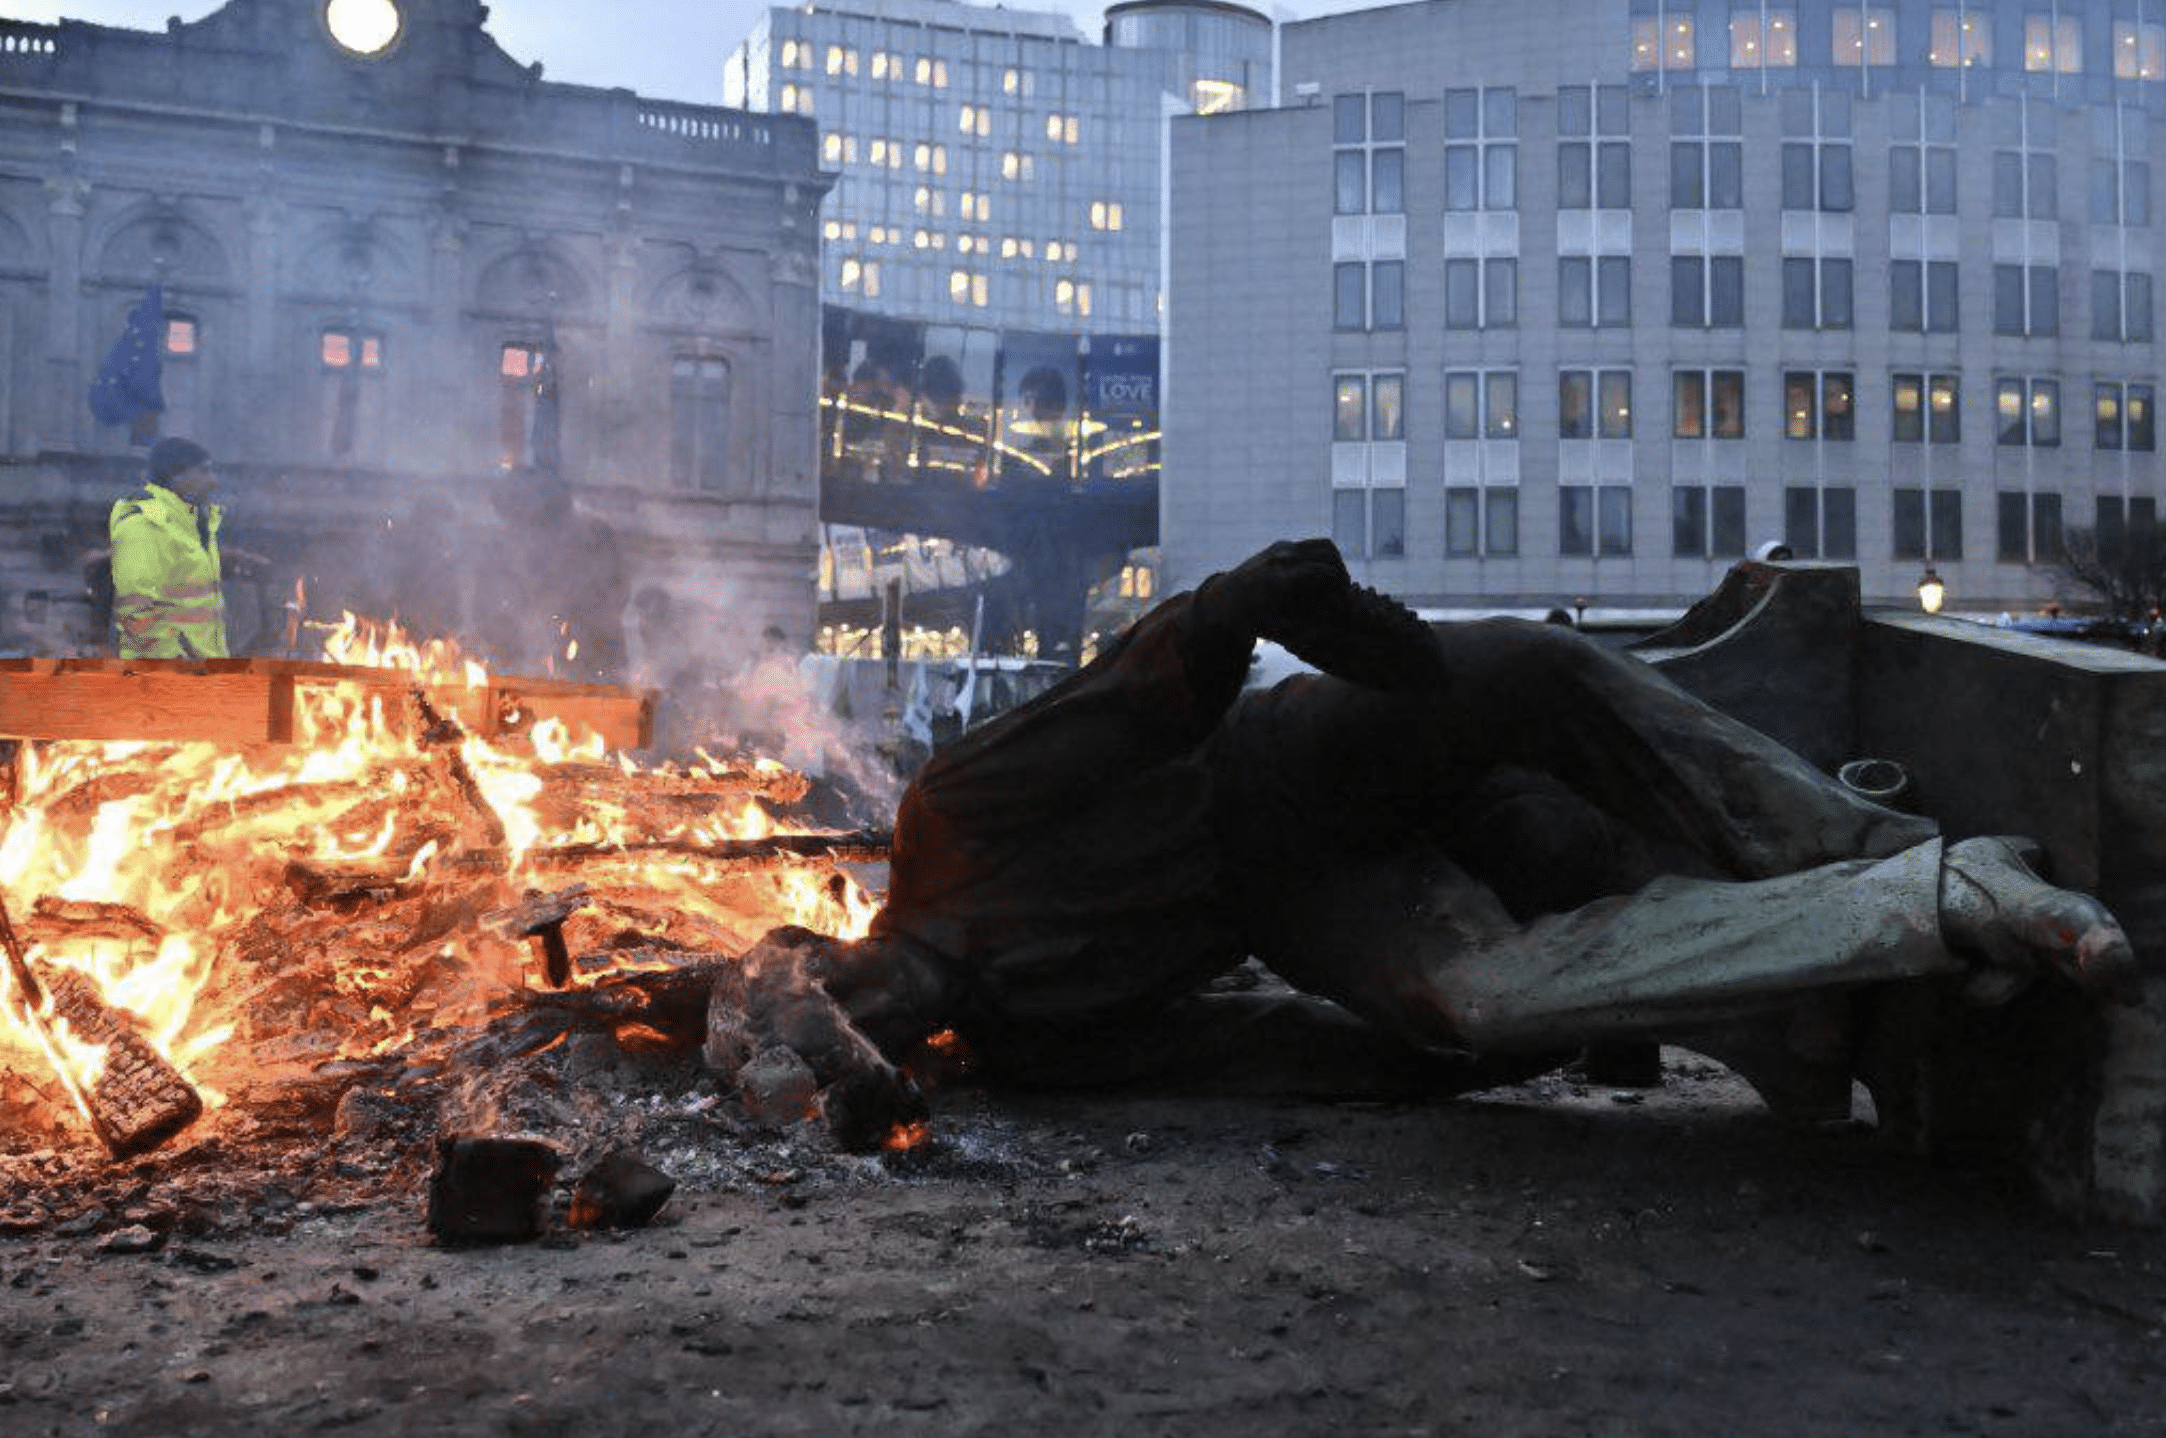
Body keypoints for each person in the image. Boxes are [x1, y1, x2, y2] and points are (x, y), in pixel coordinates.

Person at [713, 540, 2140, 1148]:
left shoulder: (940, 820)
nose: (879, 1010)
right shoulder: (1029, 1040)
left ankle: (1877, 838)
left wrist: (1256, 605)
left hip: (1284, 761)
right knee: (1486, 990)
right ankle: (1926, 900)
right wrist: (1440, 1057)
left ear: (832, 950)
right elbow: (1258, 1048)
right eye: (862, 1034)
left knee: (1533, 667)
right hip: (1305, 892)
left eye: (842, 992)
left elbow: (1134, 693)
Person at [109, 436, 229, 659]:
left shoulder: (195, 527)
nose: (213, 481)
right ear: (177, 475)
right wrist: (177, 664)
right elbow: (136, 611)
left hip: (198, 674)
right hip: (164, 677)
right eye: (204, 471)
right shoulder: (145, 524)